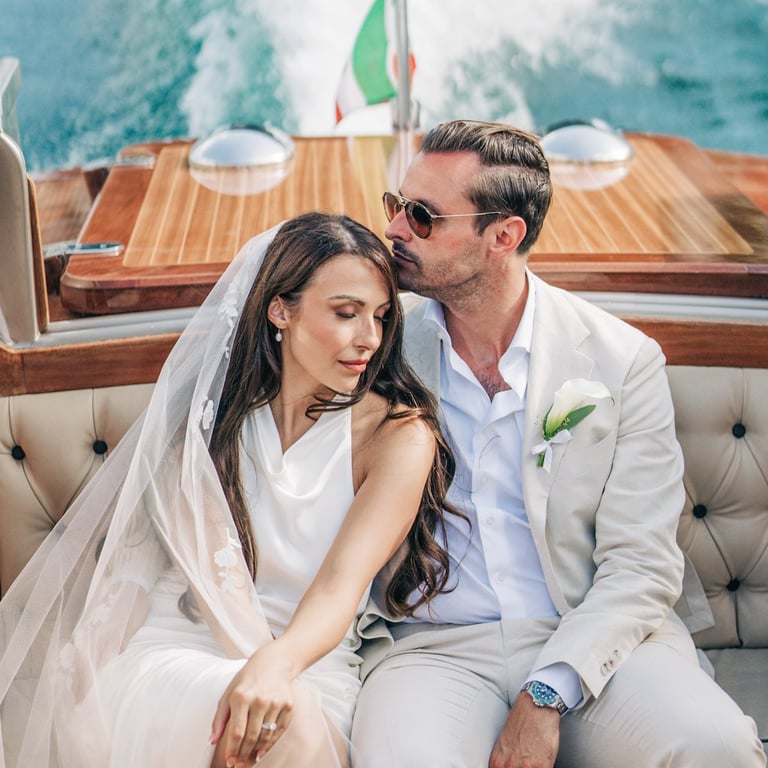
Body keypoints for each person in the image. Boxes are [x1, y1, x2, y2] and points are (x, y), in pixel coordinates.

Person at [350, 120, 766, 768]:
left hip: (590, 634)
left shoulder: (622, 361)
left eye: (423, 216)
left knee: (718, 746)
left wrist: (546, 691)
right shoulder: (374, 349)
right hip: (429, 650)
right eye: (395, 205)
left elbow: (642, 565)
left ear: (503, 236)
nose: (395, 229)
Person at [0, 212, 459, 768]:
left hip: (306, 660)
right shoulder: (210, 422)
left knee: (283, 718)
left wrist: (274, 667)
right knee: (248, 714)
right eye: (346, 313)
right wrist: (88, 671)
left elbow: (340, 588)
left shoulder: (397, 436)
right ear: (280, 310)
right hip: (181, 645)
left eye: (382, 317)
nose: (370, 339)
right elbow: (165, 577)